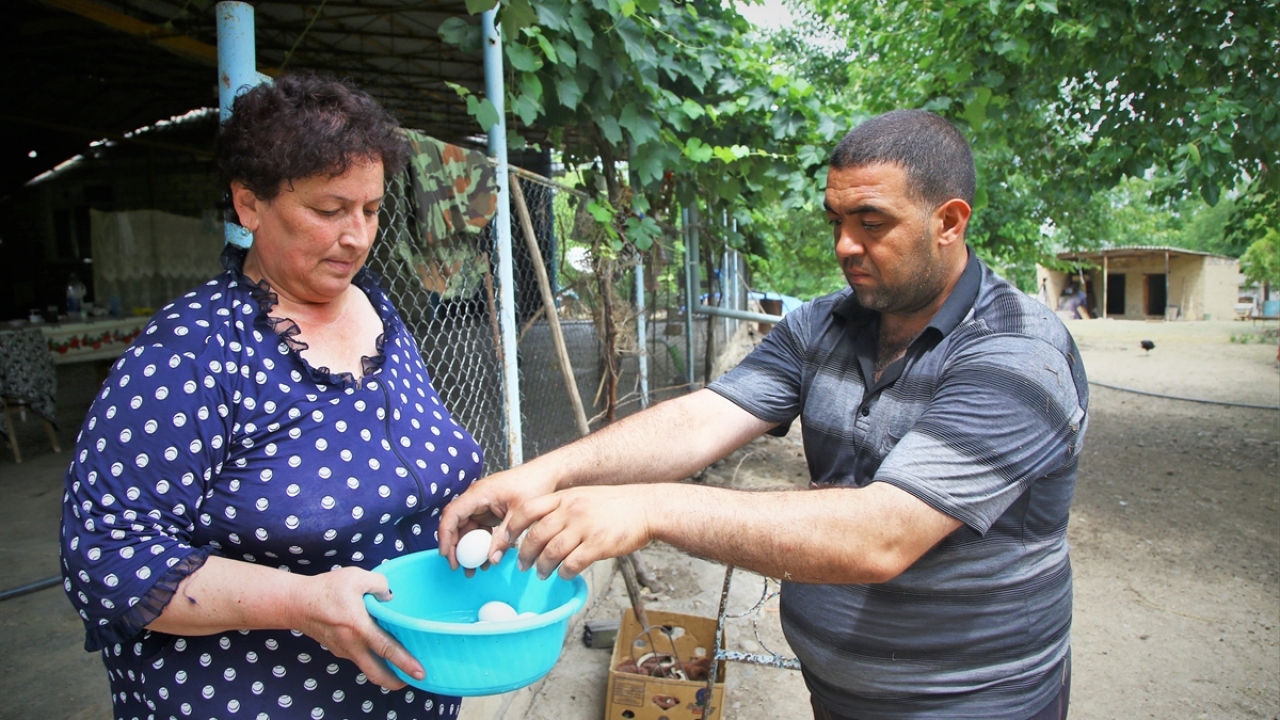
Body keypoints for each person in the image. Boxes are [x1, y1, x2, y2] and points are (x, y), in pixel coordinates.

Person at [440, 110, 1086, 720]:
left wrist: (648, 507)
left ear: (948, 222)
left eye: (871, 222)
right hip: (837, 691)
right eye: (835, 219)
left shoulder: (1017, 352)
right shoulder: (825, 324)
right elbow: (704, 419)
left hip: (973, 702)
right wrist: (546, 475)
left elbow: (880, 535)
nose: (844, 245)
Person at [60, 74, 481, 720]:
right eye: (329, 210)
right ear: (248, 205)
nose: (358, 237)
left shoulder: (379, 314)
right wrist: (300, 602)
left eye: (371, 210)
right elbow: (109, 559)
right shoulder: (192, 354)